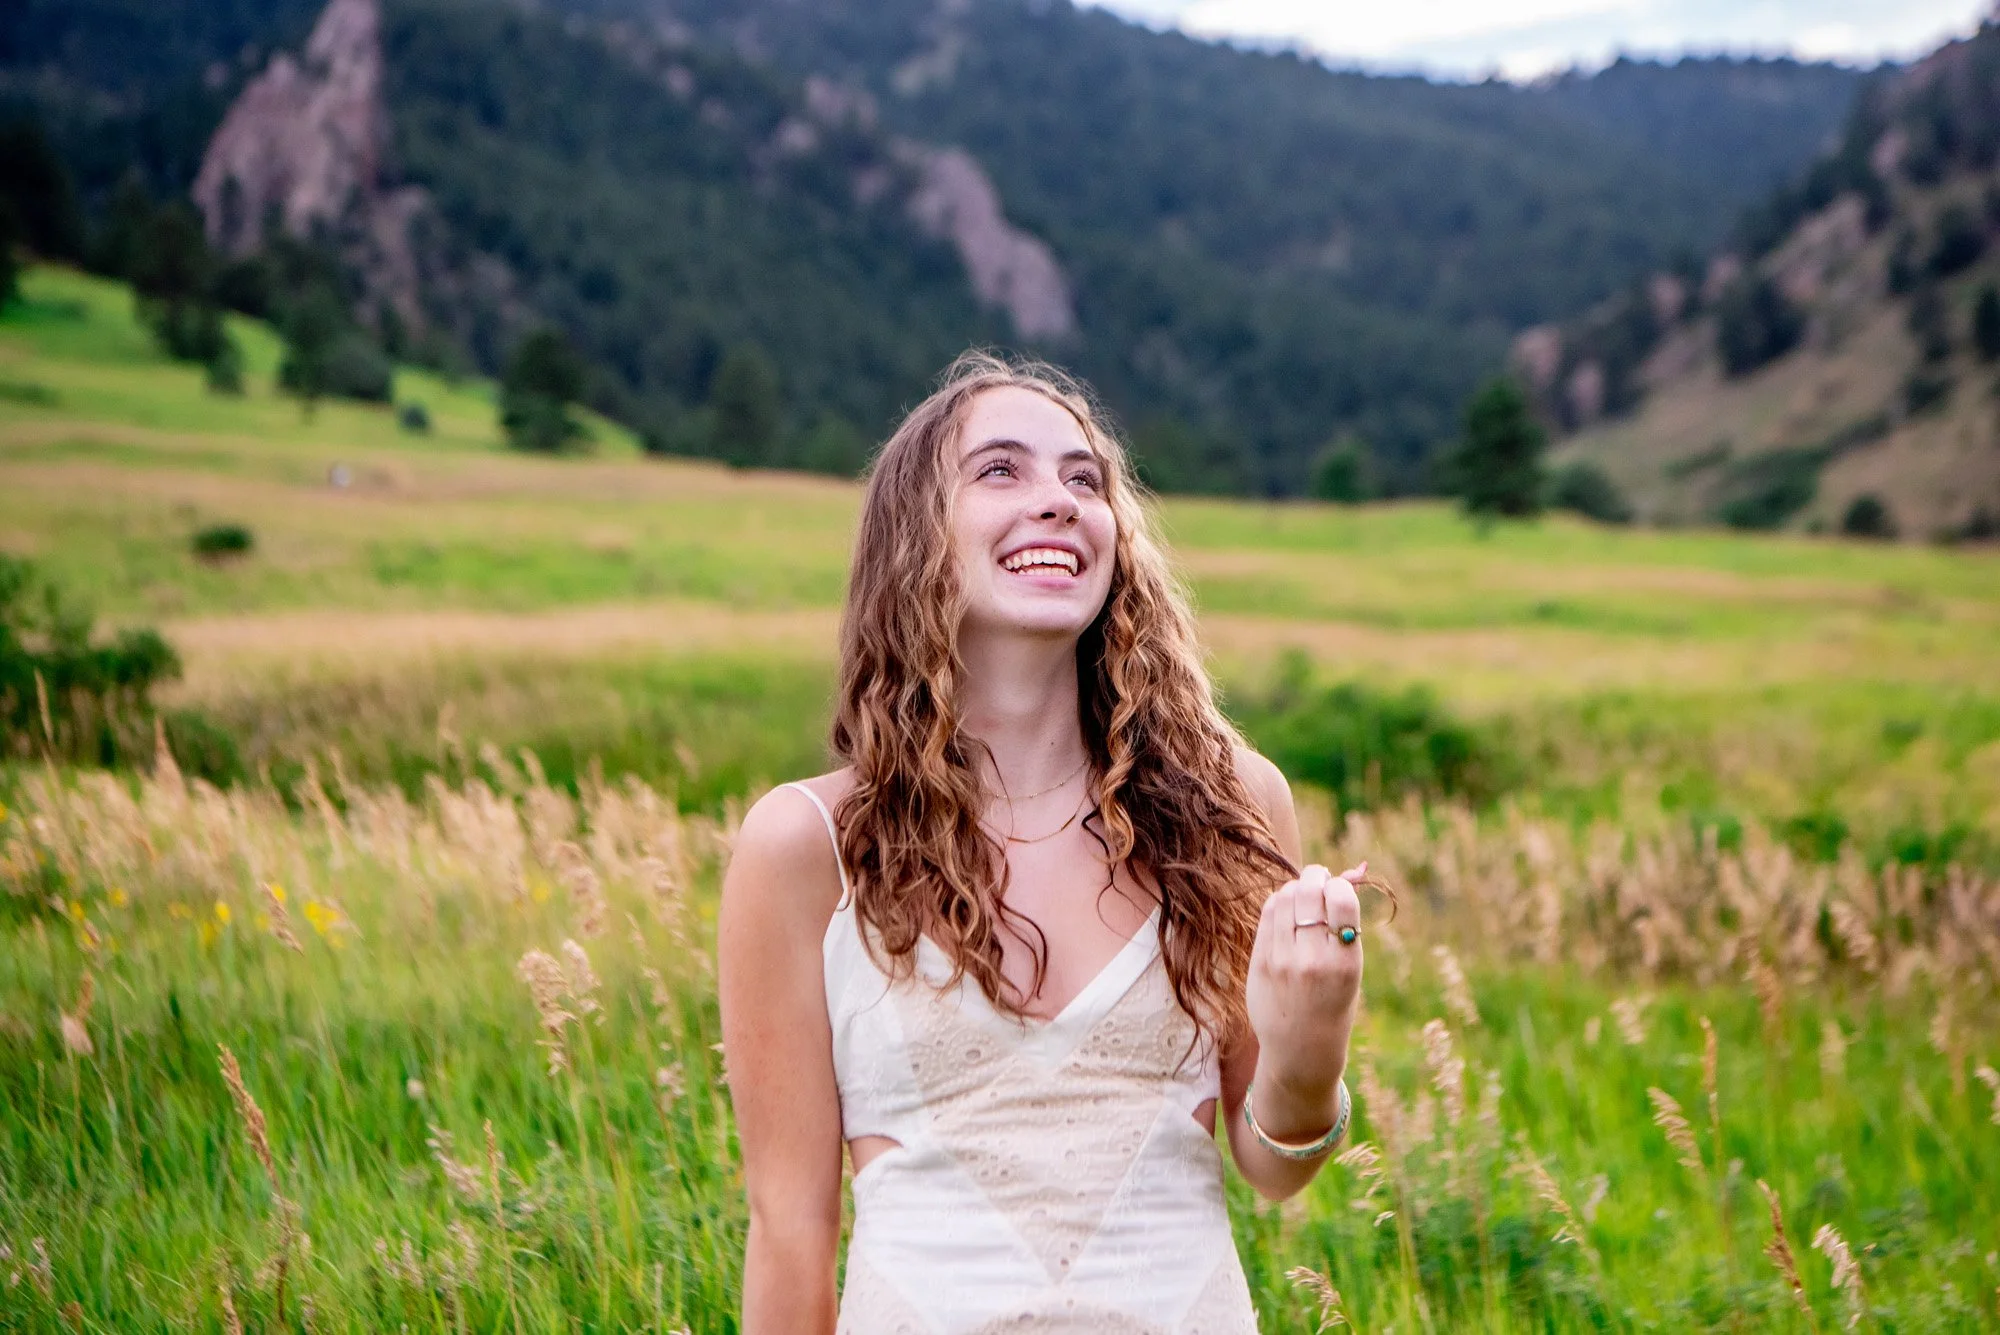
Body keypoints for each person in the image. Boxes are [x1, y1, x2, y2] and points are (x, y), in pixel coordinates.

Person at [719, 352, 1370, 1333]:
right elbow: (789, 1229)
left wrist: (1308, 1048)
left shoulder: (1231, 805)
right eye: (999, 471)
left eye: (1083, 479)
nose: (1058, 501)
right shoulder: (807, 846)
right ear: (915, 537)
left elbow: (1271, 1166)